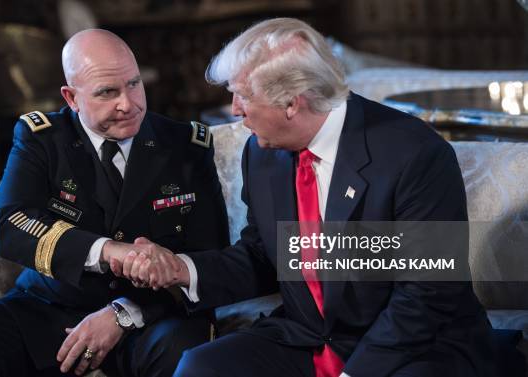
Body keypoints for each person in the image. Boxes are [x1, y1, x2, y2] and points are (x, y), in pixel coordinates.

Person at [109, 18, 511, 377]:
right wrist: (184, 270)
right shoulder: (262, 153)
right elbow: (265, 255)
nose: (235, 111)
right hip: (310, 338)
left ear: (292, 103)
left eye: (242, 96)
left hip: (411, 347)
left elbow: (426, 294)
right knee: (201, 367)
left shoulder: (412, 153)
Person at [0, 29, 229, 377]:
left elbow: (211, 255)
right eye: (107, 92)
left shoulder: (186, 146)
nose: (129, 104)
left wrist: (123, 313)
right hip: (52, 309)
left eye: (134, 84)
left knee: (187, 353)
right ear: (71, 97)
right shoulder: (42, 139)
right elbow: (9, 224)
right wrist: (106, 250)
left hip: (151, 314)